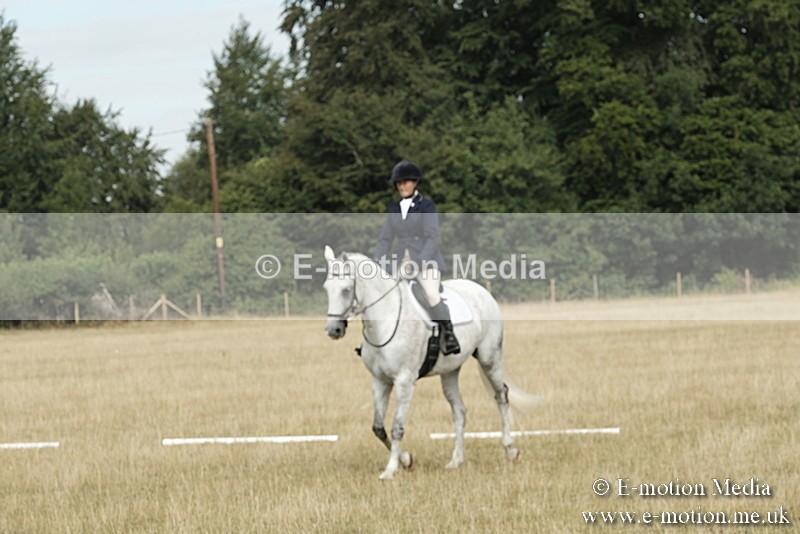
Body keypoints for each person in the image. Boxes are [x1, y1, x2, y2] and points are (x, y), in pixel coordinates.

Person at [373, 159, 460, 355]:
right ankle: (376, 343)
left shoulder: (426, 205)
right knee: (382, 295)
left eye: (407, 182)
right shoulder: (394, 208)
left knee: (431, 294)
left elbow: (432, 237)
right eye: (399, 183)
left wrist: (419, 262)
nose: (402, 185)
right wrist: (376, 261)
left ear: (415, 183)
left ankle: (449, 334)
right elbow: (385, 239)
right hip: (400, 262)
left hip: (426, 261)